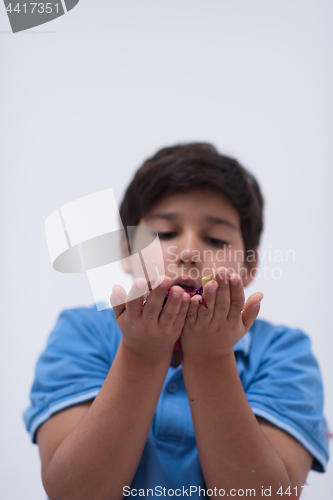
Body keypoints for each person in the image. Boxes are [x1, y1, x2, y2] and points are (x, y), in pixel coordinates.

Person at [23, 143, 330, 500]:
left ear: (249, 266)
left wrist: (212, 357)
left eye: (215, 239)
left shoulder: (284, 353)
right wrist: (141, 352)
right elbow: (75, 493)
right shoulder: (81, 332)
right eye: (165, 233)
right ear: (126, 252)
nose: (188, 252)